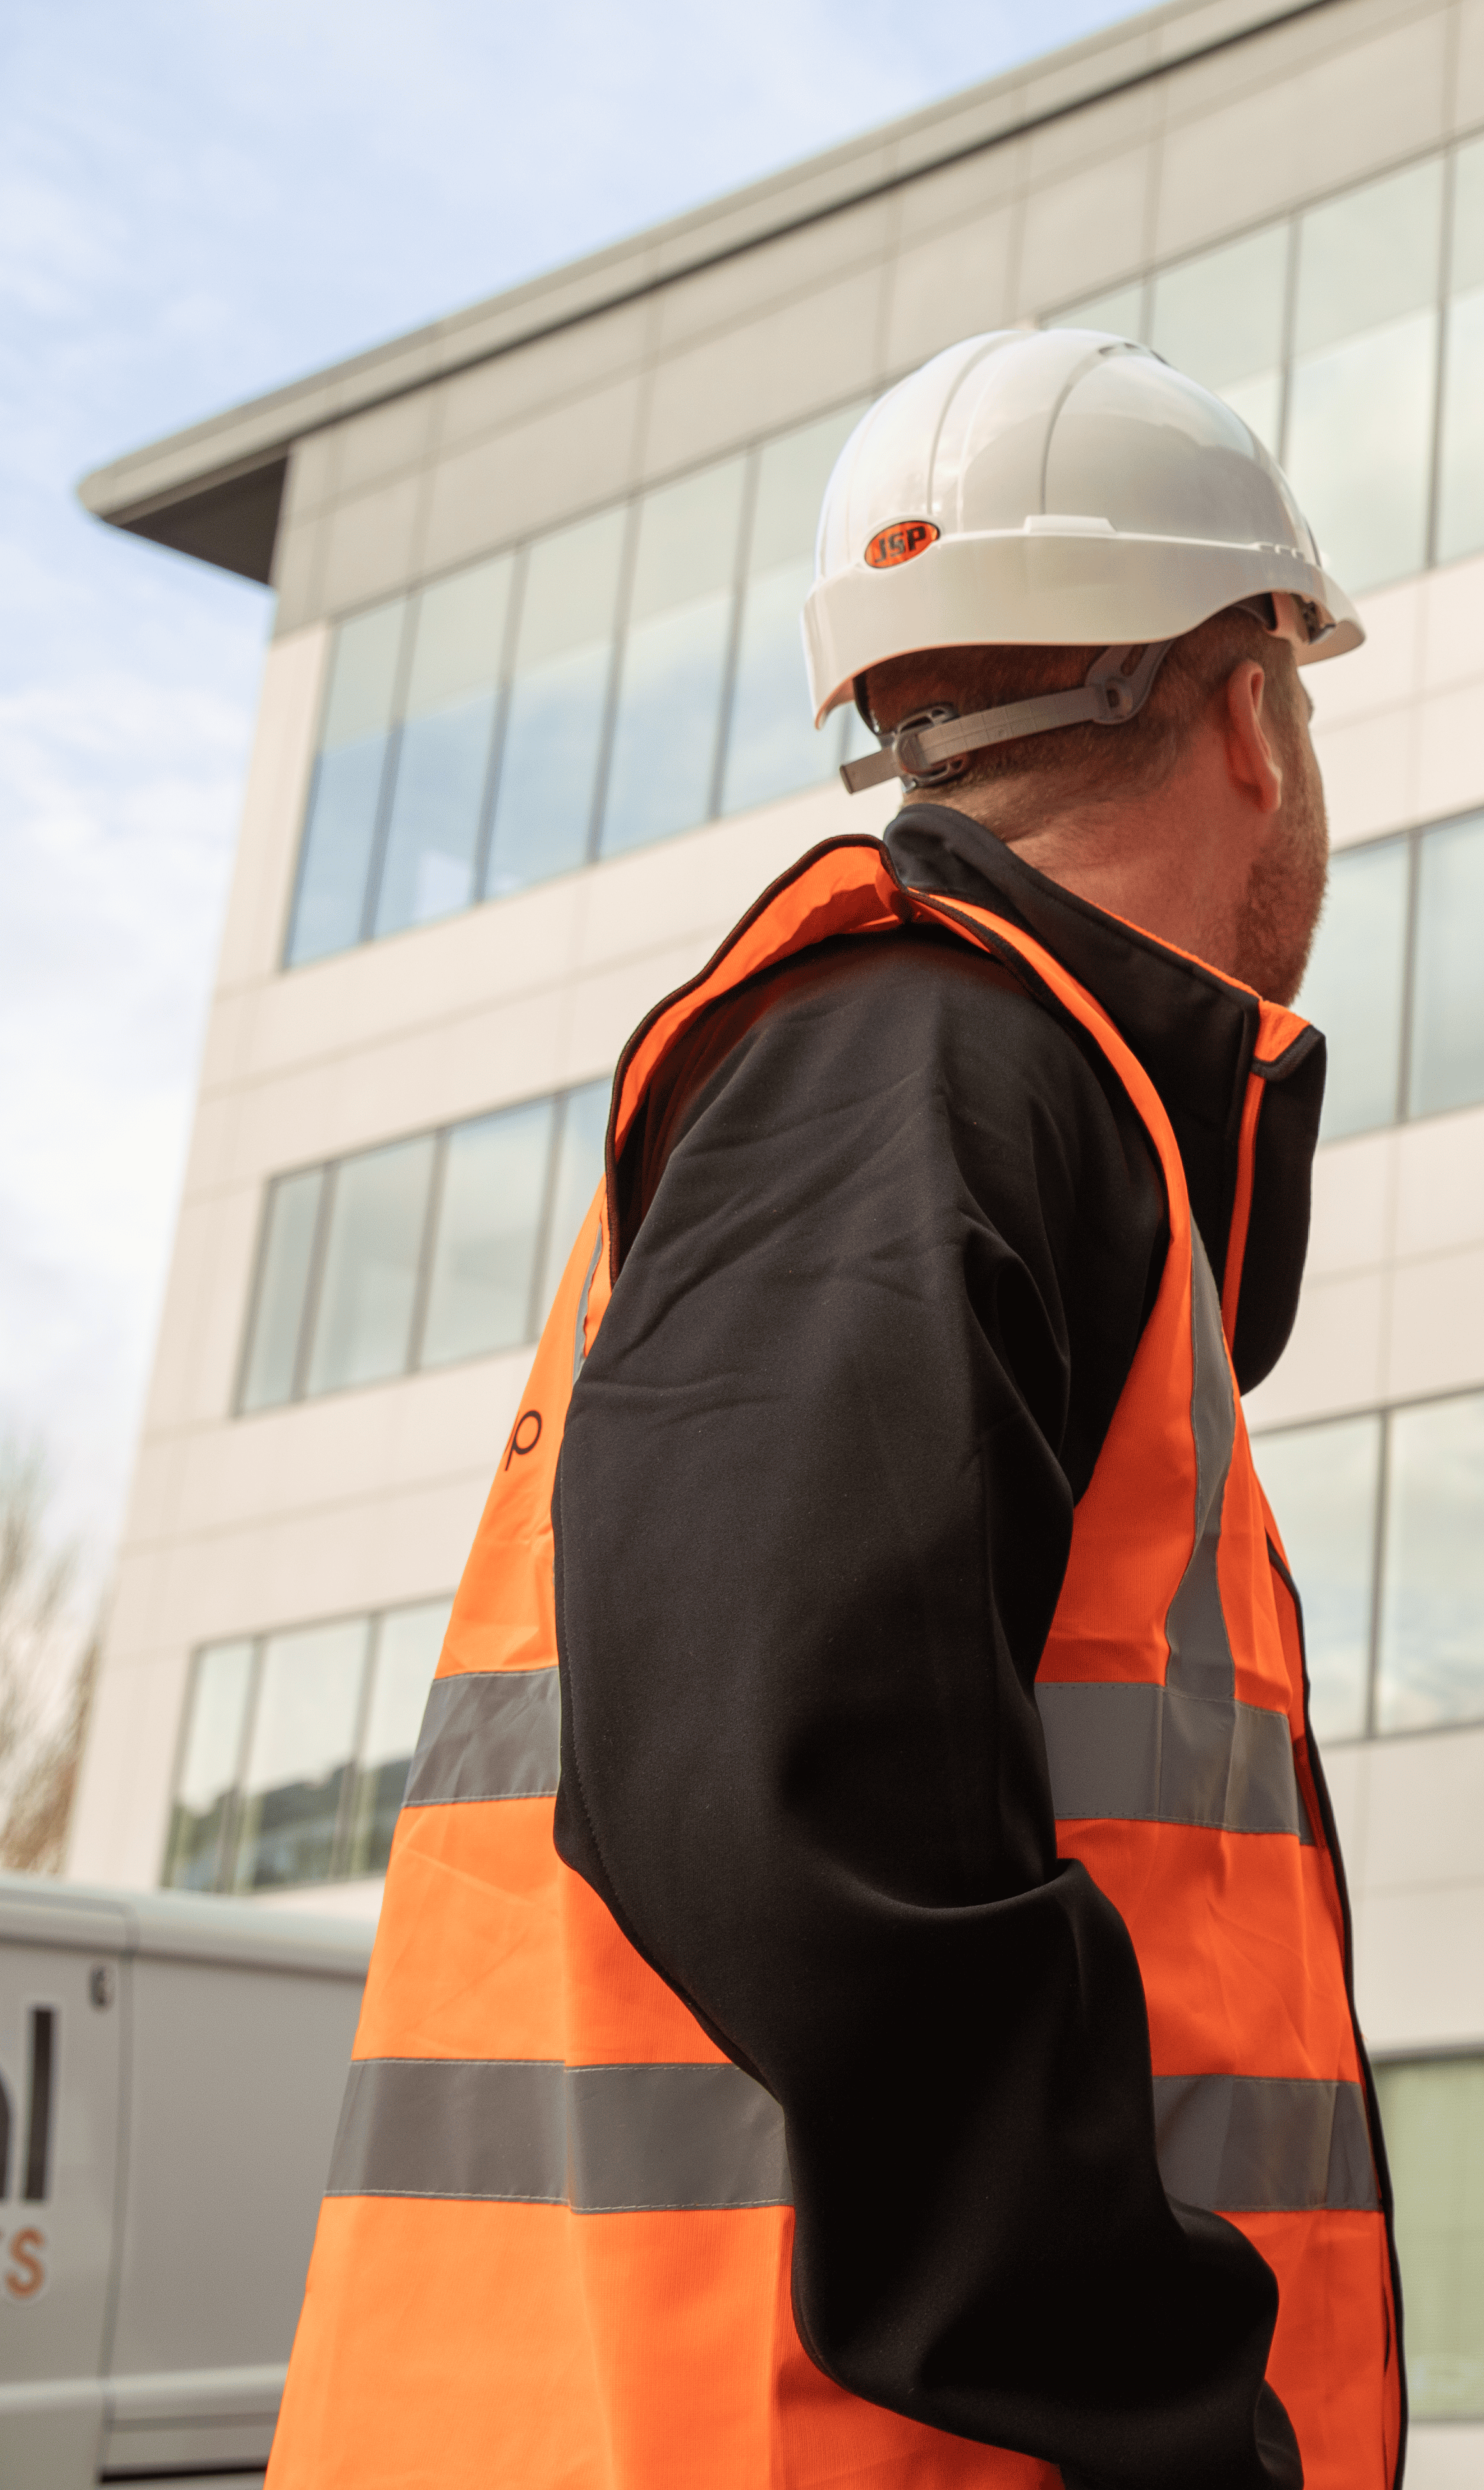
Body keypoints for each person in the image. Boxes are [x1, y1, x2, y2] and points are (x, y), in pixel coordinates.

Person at [275, 329, 1400, 2490]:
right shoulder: (925, 1061)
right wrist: (1166, 2405)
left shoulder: (947, 1082)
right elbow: (786, 1809)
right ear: (1252, 711)